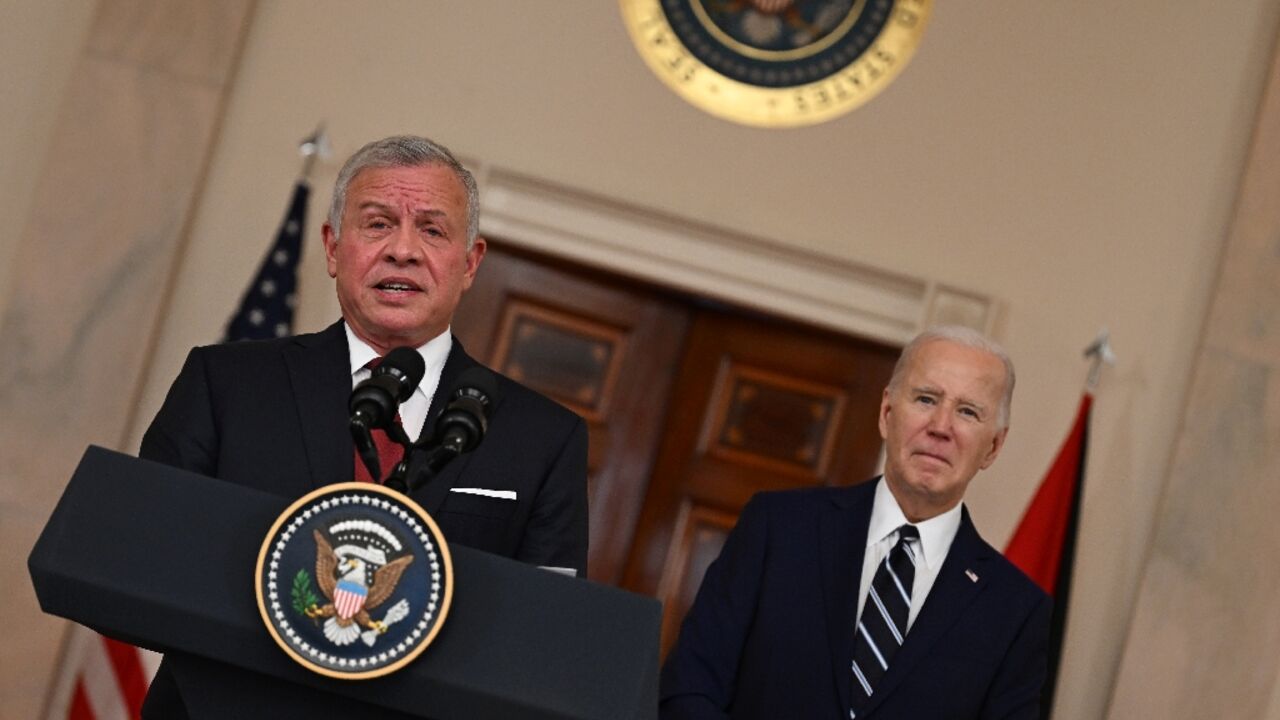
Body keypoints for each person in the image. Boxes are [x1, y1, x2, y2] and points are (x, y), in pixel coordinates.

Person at [138, 135, 588, 717]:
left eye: (432, 230)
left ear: (470, 262)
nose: (403, 250)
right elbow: (147, 562)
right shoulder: (225, 384)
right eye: (377, 224)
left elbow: (543, 641)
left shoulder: (542, 439)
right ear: (332, 248)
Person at [659, 326, 1051, 719]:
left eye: (967, 411)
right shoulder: (778, 529)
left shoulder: (1015, 612)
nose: (940, 426)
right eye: (926, 398)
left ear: (994, 447)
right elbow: (690, 688)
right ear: (886, 413)